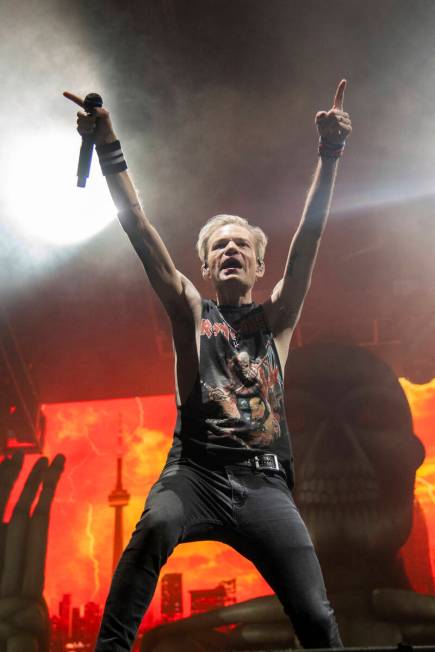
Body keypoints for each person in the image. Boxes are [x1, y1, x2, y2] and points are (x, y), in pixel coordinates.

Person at [64, 79, 352, 651]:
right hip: (194, 471)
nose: (229, 251)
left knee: (317, 618)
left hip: (265, 482)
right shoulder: (191, 310)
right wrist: (106, 147)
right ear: (203, 262)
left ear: (259, 262)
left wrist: (330, 152)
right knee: (151, 531)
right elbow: (140, 231)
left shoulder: (278, 319)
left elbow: (310, 237)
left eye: (241, 245)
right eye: (218, 246)